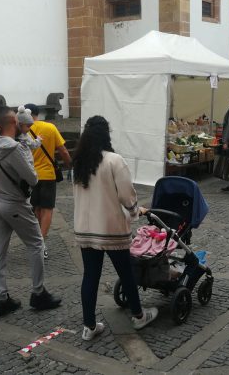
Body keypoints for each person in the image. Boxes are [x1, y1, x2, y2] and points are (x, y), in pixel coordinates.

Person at [72, 116, 158, 341]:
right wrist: (134, 212)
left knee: (90, 276)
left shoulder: (78, 162)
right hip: (111, 228)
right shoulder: (114, 160)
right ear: (106, 135)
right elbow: (127, 194)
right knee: (126, 273)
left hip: (85, 228)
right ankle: (139, 315)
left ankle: (89, 326)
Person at [0, 106, 62, 317]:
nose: (25, 127)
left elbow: (0, 131)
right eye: (21, 124)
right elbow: (33, 178)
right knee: (36, 244)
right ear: (13, 125)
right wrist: (27, 151)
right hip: (14, 203)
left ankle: (1, 299)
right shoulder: (15, 149)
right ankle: (38, 293)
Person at [23, 103, 72, 259]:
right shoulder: (50, 128)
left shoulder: (22, 130)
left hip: (30, 175)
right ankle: (41, 242)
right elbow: (63, 150)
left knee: (35, 209)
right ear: (38, 113)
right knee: (47, 209)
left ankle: (36, 239)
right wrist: (70, 164)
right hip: (48, 175)